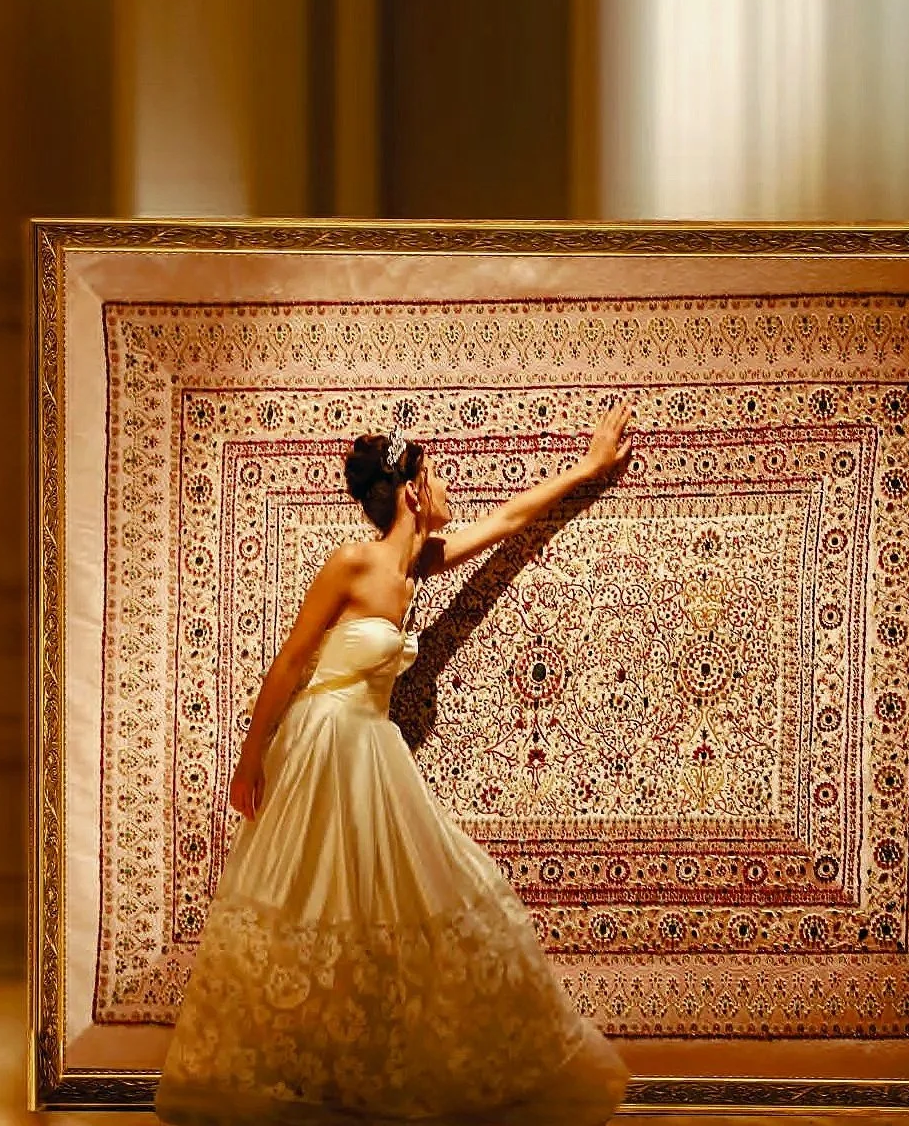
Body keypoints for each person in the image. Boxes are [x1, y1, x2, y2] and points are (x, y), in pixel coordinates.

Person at [155, 402, 634, 1125]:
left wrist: (589, 466)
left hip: (371, 745)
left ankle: (360, 1061)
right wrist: (249, 761)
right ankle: (284, 1067)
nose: (447, 492)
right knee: (313, 897)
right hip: (324, 742)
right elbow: (290, 663)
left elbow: (507, 522)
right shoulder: (353, 563)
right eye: (436, 477)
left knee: (388, 900)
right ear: (412, 490)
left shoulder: (421, 564)